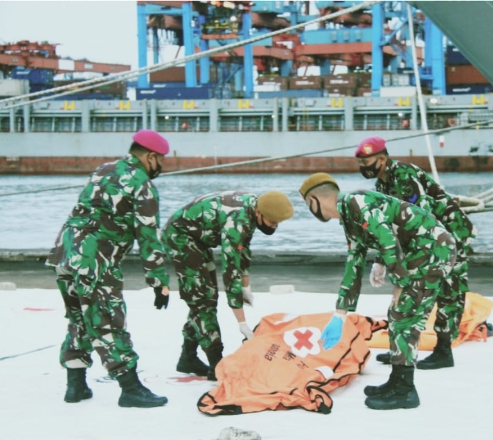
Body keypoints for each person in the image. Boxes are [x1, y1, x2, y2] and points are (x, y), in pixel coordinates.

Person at [299, 173, 456, 410]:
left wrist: (400, 283)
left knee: (403, 316)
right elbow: (354, 262)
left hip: (432, 249)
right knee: (399, 315)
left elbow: (387, 239)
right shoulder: (348, 216)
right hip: (420, 251)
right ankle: (397, 380)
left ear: (313, 200)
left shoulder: (355, 202)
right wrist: (340, 314)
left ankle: (405, 390)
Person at [46, 129, 172, 408]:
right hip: (95, 260)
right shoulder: (142, 185)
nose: (161, 166)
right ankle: (130, 388)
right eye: (161, 160)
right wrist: (159, 282)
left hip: (65, 252)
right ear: (150, 157)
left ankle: (75, 386)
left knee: (80, 317)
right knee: (107, 320)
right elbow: (148, 238)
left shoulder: (103, 169)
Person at [354, 136, 475, 370]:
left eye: (366, 162)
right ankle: (402, 349)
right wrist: (381, 259)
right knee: (413, 291)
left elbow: (419, 216)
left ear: (382, 159)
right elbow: (389, 224)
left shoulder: (404, 175)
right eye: (360, 163)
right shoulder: (382, 184)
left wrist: (399, 259)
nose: (363, 168)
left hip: (449, 235)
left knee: (449, 292)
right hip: (428, 237)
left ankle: (443, 351)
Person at [163, 190, 294, 381]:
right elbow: (230, 272)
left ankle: (188, 357)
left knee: (206, 296)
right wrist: (242, 323)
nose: (275, 226)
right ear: (259, 213)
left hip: (199, 239)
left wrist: (246, 286)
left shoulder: (255, 208)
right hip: (181, 237)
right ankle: (216, 364)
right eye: (272, 222)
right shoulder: (238, 221)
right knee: (203, 300)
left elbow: (243, 248)